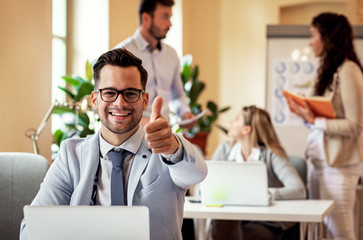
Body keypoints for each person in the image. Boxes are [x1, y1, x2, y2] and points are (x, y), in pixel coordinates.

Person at [19, 48, 208, 240]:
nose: (120, 103)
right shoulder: (71, 155)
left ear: (144, 101)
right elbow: (31, 229)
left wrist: (173, 148)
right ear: (95, 99)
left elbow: (197, 174)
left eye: (131, 93)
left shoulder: (166, 148)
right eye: (109, 93)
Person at [286, 12, 363, 240]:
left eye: (313, 35)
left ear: (327, 37)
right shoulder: (329, 71)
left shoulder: (349, 71)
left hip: (339, 166)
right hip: (320, 163)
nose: (310, 42)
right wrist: (304, 112)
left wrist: (316, 120)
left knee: (340, 232)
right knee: (324, 232)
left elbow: (355, 126)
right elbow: (320, 121)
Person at [211, 105, 306, 240]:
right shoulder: (225, 150)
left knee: (251, 235)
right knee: (222, 223)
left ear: (247, 129)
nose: (231, 121)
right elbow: (204, 184)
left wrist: (265, 194)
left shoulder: (271, 154)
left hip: (264, 220)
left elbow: (299, 190)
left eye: (237, 119)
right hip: (231, 217)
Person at [114, 0, 196, 128]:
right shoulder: (121, 53)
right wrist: (146, 123)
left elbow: (177, 95)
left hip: (164, 133)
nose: (170, 23)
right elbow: (115, 103)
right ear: (146, 18)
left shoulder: (171, 54)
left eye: (170, 17)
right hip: (132, 133)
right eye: (164, 17)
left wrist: (185, 114)